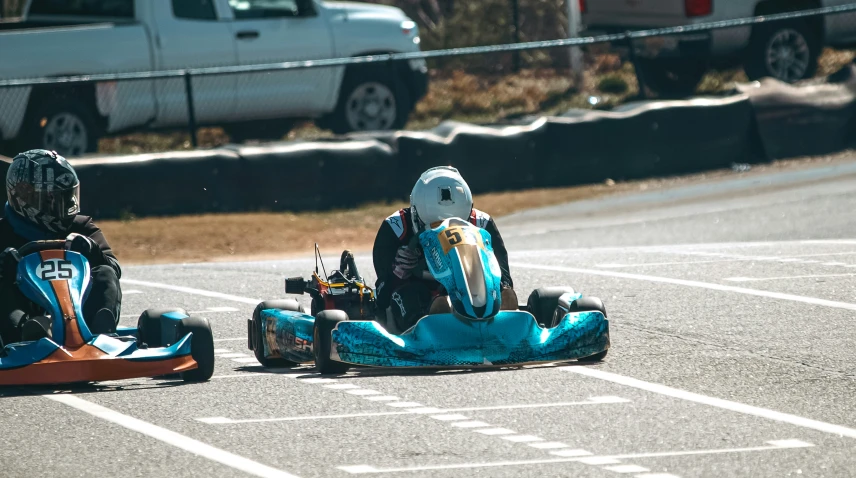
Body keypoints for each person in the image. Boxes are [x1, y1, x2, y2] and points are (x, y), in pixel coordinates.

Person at [0, 149, 122, 347]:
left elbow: (114, 268)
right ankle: (27, 333)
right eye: (52, 199)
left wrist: (93, 252)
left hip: (78, 309)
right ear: (24, 196)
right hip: (24, 318)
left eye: (67, 196)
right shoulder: (3, 232)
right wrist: (4, 268)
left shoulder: (81, 227)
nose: (64, 205)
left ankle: (102, 330)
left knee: (105, 272)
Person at [372, 166, 515, 332]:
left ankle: (501, 319)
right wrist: (397, 274)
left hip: (467, 290)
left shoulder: (482, 223)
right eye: (436, 226)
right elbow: (381, 298)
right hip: (419, 293)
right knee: (412, 295)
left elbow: (505, 277)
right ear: (416, 214)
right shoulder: (395, 227)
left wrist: (497, 280)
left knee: (504, 293)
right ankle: (431, 325)